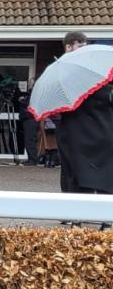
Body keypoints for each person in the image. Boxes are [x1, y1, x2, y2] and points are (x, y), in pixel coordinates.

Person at [56, 32, 90, 192]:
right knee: (70, 169)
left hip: (87, 126)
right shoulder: (59, 71)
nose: (84, 50)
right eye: (80, 46)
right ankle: (70, 202)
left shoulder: (86, 69)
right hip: (69, 127)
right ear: (68, 47)